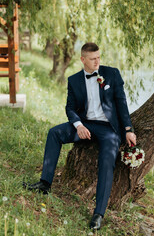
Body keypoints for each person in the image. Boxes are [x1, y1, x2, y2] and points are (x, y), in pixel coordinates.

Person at [24, 42, 136, 230]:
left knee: (107, 158)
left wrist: (128, 129)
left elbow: (122, 103)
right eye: (93, 59)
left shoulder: (112, 74)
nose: (97, 62)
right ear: (83, 59)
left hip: (108, 128)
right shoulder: (74, 80)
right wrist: (79, 125)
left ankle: (98, 213)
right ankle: (45, 183)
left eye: (99, 57)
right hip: (85, 124)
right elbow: (70, 108)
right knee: (54, 133)